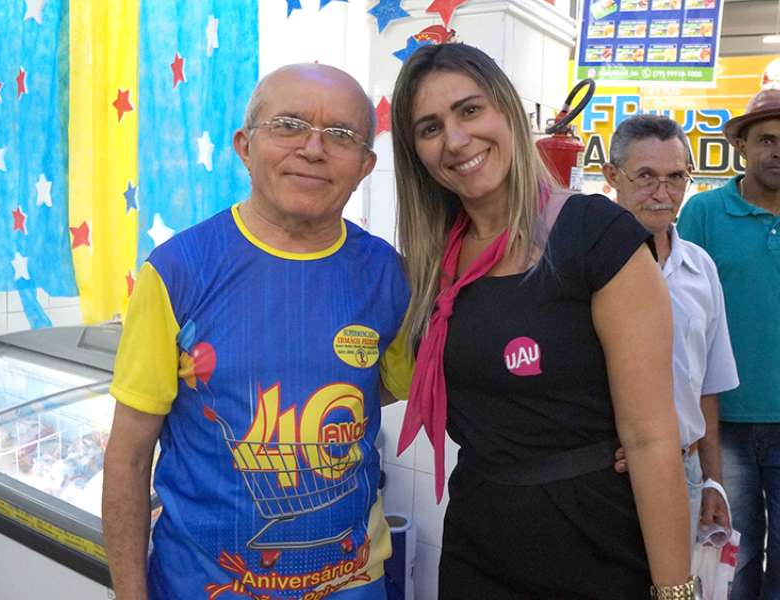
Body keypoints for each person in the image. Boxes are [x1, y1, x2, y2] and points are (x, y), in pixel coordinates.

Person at [391, 43, 695, 599]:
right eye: (430, 128)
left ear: (507, 110)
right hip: (477, 546)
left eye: (469, 110)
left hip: (594, 545)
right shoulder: (434, 261)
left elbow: (651, 439)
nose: (455, 140)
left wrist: (676, 591)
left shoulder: (592, 233)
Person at [102, 63, 412, 600]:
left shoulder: (389, 275)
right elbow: (128, 456)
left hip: (351, 585)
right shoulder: (178, 271)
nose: (313, 149)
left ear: (365, 165)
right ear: (245, 147)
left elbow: (380, 388)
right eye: (289, 125)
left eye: (340, 135)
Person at [602, 114, 739, 549]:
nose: (663, 194)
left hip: (686, 471)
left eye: (676, 177)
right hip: (605, 473)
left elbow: (707, 388)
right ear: (613, 176)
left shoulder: (700, 268)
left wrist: (713, 481)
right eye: (646, 176)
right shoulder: (583, 268)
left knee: (679, 580)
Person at [677, 88, 780, 600]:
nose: (777, 151)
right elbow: (676, 309)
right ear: (741, 145)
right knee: (730, 553)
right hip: (722, 421)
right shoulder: (703, 213)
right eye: (767, 139)